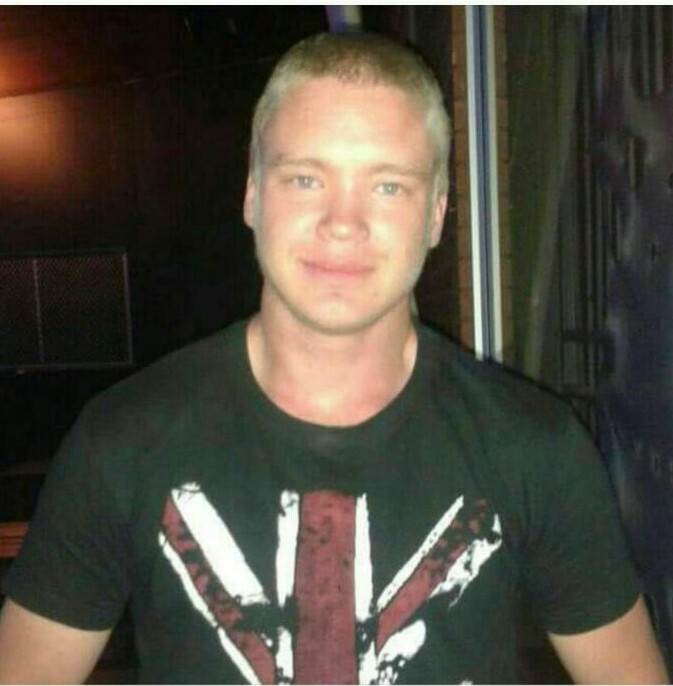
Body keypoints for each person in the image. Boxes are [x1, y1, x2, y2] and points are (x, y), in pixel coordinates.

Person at [0, 31, 667, 685]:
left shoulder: (534, 447)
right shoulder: (123, 440)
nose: (342, 221)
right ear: (252, 194)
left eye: (388, 186)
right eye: (305, 178)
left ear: (436, 214)